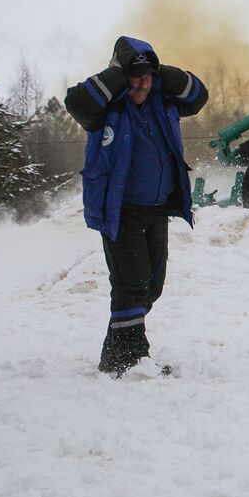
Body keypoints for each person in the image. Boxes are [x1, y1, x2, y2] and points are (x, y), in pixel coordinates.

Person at [64, 36, 207, 376]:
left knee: (151, 284)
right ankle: (131, 359)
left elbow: (198, 96)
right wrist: (119, 74)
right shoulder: (105, 109)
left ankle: (114, 357)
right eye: (135, 78)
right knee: (133, 283)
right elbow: (77, 102)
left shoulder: (163, 101)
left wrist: (158, 71)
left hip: (158, 207)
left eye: (147, 78)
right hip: (121, 208)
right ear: (122, 77)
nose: (142, 85)